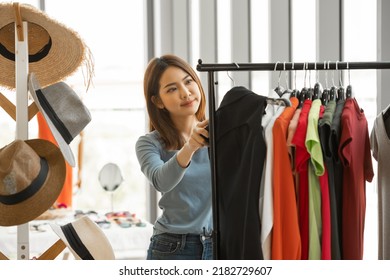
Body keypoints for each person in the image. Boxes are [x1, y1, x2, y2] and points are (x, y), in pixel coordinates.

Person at [135, 54, 213, 260]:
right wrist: (191, 146)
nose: (186, 93)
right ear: (158, 101)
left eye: (188, 82)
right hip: (173, 247)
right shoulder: (149, 144)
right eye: (172, 89)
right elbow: (161, 181)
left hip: (217, 244)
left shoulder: (220, 133)